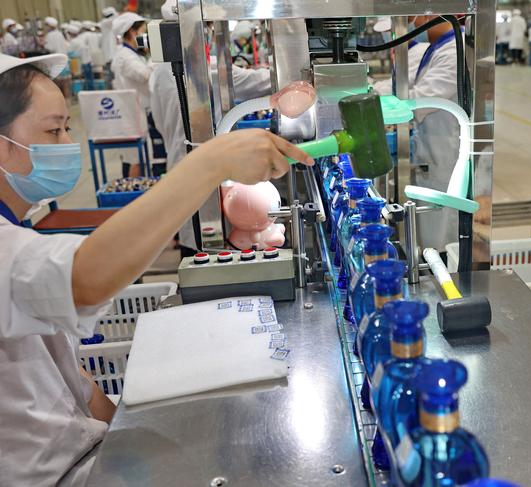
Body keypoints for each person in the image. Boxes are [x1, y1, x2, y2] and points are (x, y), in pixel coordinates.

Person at [0, 52, 312, 486]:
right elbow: (83, 279)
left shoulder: (17, 227)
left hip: (83, 457)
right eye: (54, 130)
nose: (68, 143)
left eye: (67, 127)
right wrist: (209, 165)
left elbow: (79, 384)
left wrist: (126, 443)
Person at [150, 0, 273, 254]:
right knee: (216, 242)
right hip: (213, 170)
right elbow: (262, 82)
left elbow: (159, 122)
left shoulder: (158, 73)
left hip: (177, 164)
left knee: (192, 242)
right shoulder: (210, 69)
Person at [372, 16, 462, 251]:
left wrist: (371, 104)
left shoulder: (454, 51)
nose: (412, 22)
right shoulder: (437, 47)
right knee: (427, 228)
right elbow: (402, 87)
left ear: (430, 14)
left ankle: (443, 272)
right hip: (429, 152)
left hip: (444, 154)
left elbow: (421, 100)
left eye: (412, 16)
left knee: (440, 232)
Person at [111, 12, 154, 177]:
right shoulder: (125, 56)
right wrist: (155, 56)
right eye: (142, 31)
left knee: (138, 157)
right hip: (133, 113)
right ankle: (134, 194)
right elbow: (144, 75)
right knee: (137, 159)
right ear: (132, 32)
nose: (144, 36)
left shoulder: (129, 53)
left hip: (136, 111)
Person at [99, 7, 118, 88]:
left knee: (114, 77)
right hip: (109, 56)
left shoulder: (110, 24)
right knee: (110, 77)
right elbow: (114, 19)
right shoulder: (105, 23)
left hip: (112, 55)